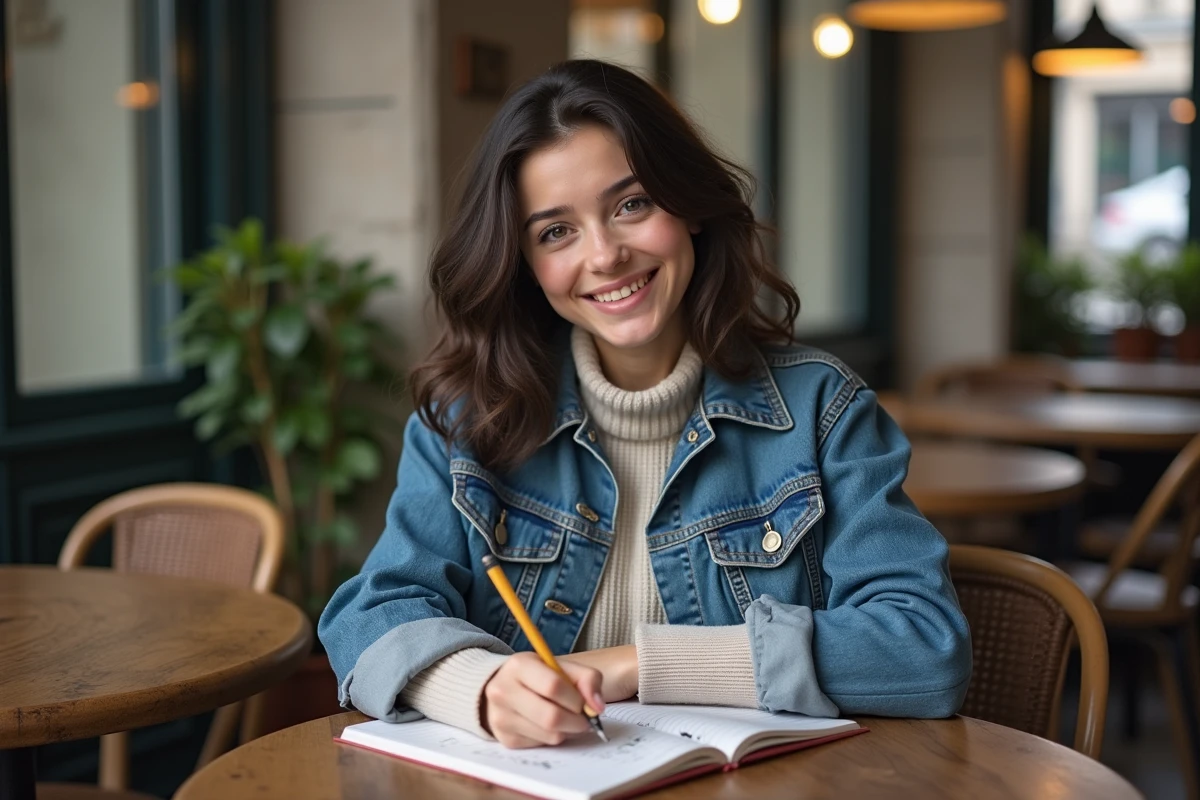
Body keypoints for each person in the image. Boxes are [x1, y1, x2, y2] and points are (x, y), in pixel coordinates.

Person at [319, 59, 971, 750]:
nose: (605, 255)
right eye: (555, 232)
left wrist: (640, 665)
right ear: (523, 263)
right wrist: (477, 687)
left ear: (687, 206)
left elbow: (924, 647)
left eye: (631, 204)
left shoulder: (821, 411)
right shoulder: (465, 423)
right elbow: (369, 617)